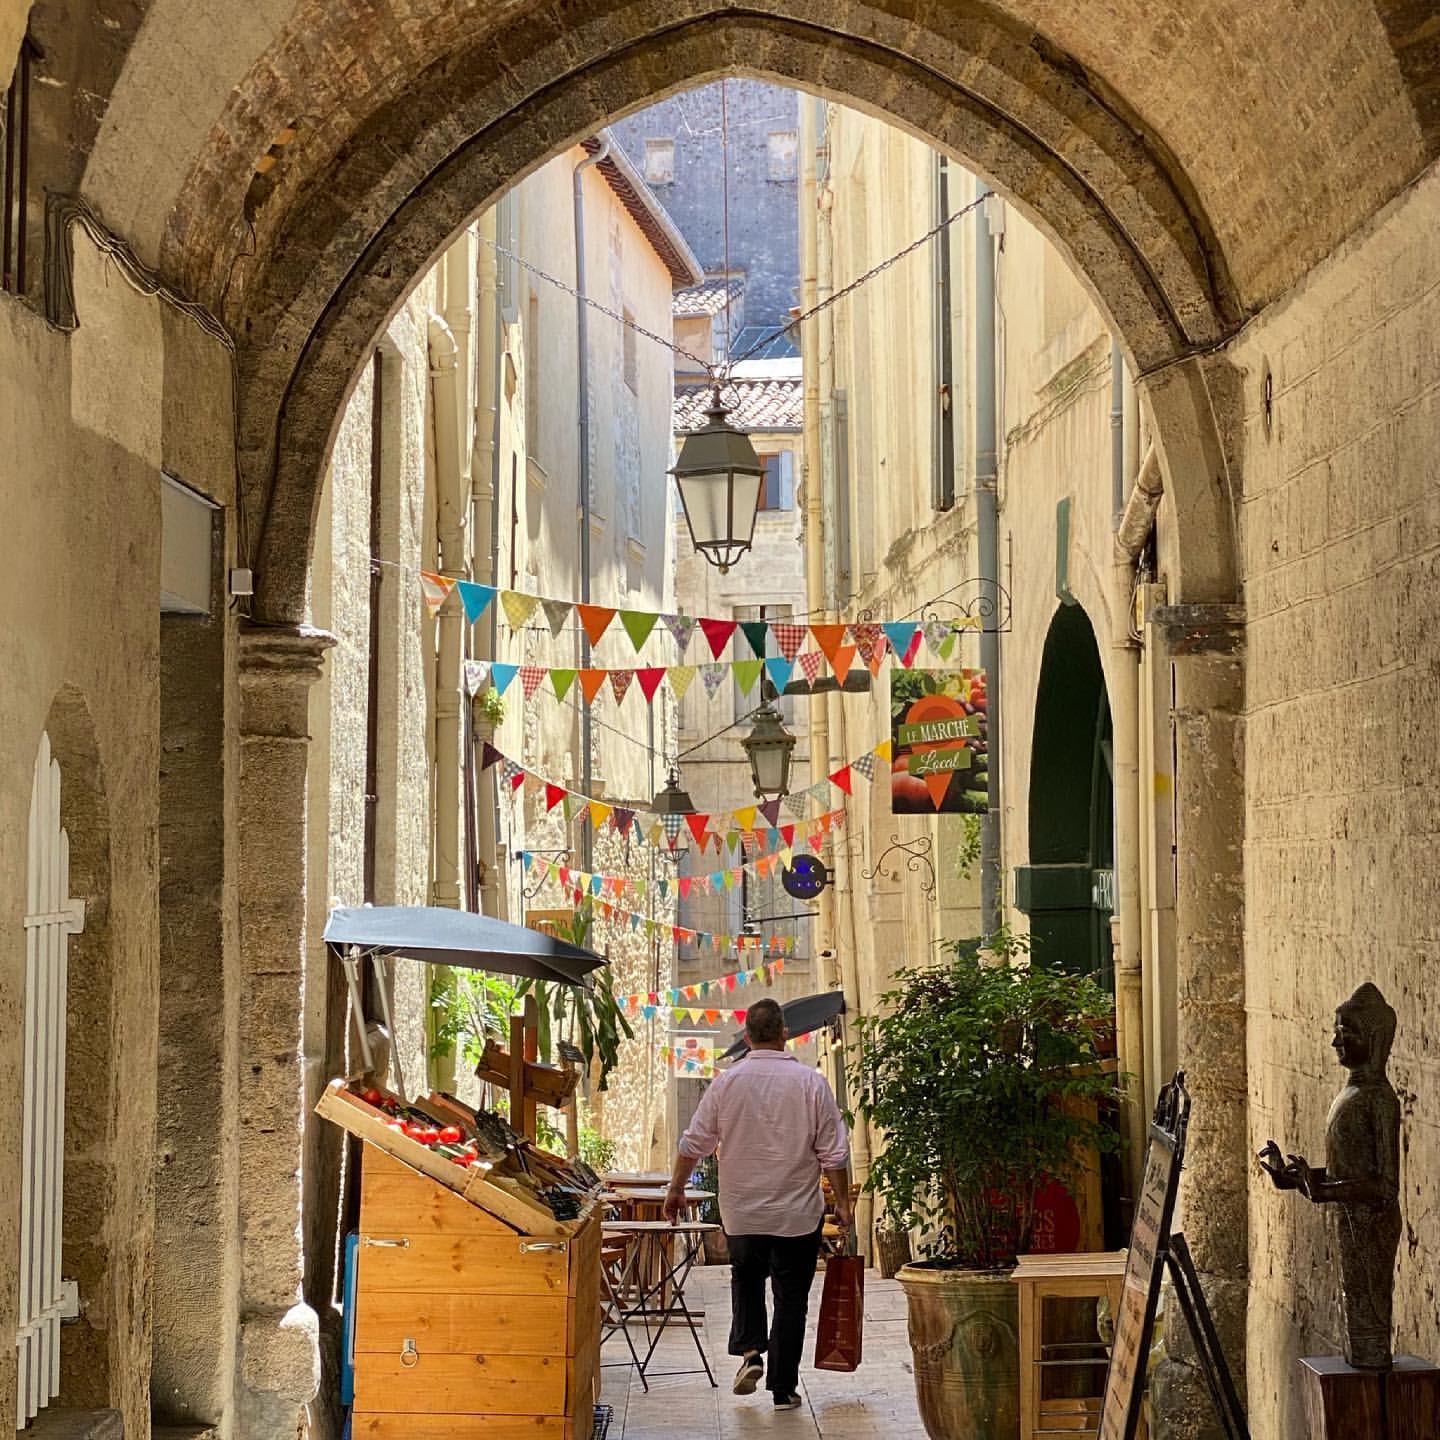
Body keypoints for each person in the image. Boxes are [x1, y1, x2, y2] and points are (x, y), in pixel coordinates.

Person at [663, 997, 852, 1411]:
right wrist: (843, 1203)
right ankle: (782, 1389)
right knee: (791, 1297)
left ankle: (751, 1351)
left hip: (743, 1210)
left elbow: (694, 1142)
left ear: (747, 1038)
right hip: (797, 1213)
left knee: (746, 1278)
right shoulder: (811, 1083)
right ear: (785, 1033)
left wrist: (676, 1188)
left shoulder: (726, 1083)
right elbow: (834, 1153)